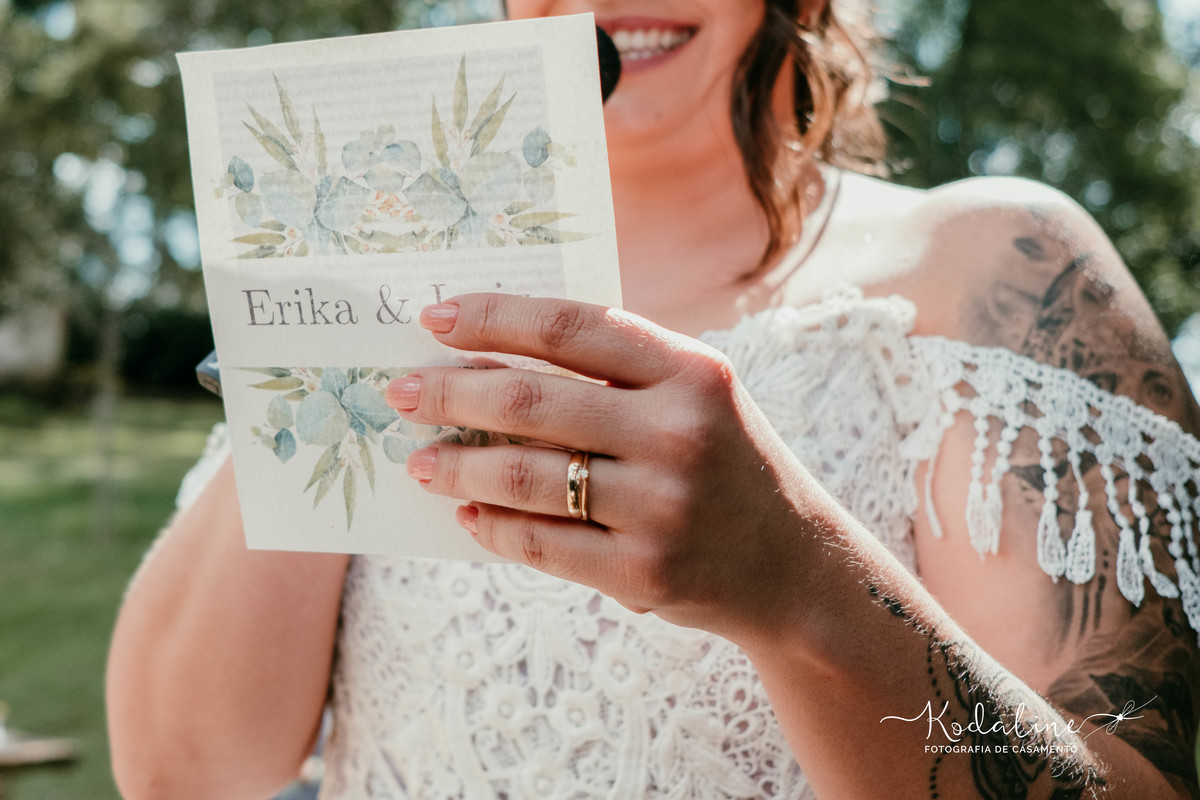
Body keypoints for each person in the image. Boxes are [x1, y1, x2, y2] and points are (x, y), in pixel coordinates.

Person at [107, 0, 1200, 798]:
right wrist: (331, 324)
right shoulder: (410, 283)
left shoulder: (1000, 262)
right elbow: (181, 769)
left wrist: (797, 578)